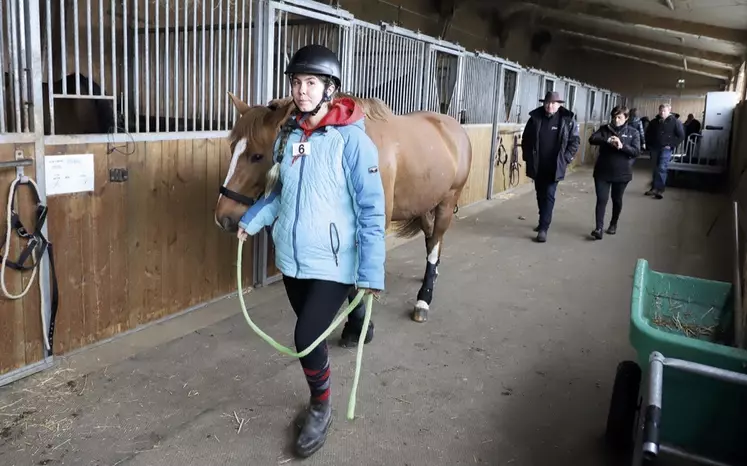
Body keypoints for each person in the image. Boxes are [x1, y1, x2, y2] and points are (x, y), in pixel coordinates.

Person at [235, 44, 386, 458]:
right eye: (297, 82)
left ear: (330, 89)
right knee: (311, 337)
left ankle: (321, 405)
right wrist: (253, 220)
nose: (302, 91)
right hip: (292, 259)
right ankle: (320, 391)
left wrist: (371, 273)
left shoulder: (352, 141)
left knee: (304, 335)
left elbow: (373, 209)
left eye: (311, 83)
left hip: (335, 263)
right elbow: (280, 191)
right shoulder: (288, 135)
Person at [521, 91, 580, 243]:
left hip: (555, 165)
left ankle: (543, 229)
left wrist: (565, 159)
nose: (549, 106)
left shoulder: (566, 120)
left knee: (549, 194)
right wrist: (527, 157)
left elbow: (574, 142)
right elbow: (526, 139)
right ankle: (543, 219)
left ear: (559, 104)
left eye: (553, 103)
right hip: (538, 164)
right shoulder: (535, 118)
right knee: (540, 194)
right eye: (547, 103)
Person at [588, 105, 641, 239]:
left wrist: (622, 145)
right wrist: (607, 140)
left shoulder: (633, 132)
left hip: (622, 172)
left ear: (626, 118)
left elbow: (636, 151)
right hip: (602, 171)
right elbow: (592, 139)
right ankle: (598, 228)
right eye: (614, 117)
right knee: (601, 199)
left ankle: (613, 223)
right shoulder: (605, 129)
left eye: (619, 117)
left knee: (616, 199)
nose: (616, 120)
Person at [644, 103, 684, 199]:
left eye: (664, 111)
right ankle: (654, 188)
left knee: (662, 167)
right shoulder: (654, 122)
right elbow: (648, 134)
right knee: (655, 168)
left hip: (666, 149)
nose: (662, 112)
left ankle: (660, 190)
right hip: (654, 148)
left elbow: (681, 136)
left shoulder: (675, 122)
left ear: (669, 110)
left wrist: (671, 145)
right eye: (660, 110)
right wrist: (648, 145)